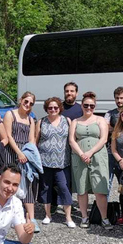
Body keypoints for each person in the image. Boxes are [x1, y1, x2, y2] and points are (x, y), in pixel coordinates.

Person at [68, 92, 111, 229]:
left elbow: (104, 139)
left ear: (95, 106)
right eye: (86, 105)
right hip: (79, 157)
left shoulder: (100, 120)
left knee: (100, 188)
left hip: (98, 156)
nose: (88, 108)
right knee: (82, 188)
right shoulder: (75, 121)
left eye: (91, 105)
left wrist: (90, 152)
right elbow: (71, 140)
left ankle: (104, 218)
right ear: (81, 105)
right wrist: (81, 154)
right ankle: (84, 217)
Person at [35, 97, 74, 228]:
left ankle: (68, 217)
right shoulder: (41, 122)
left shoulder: (67, 121)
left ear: (59, 108)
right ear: (46, 108)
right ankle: (48, 215)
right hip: (45, 161)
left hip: (62, 162)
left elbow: (71, 140)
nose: (53, 110)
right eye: (50, 107)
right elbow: (36, 140)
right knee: (46, 188)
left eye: (55, 107)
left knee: (64, 187)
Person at [3, 92, 38, 229]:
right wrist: (18, 153)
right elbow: (9, 136)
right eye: (26, 101)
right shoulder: (10, 114)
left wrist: (29, 155)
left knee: (28, 183)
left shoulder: (30, 120)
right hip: (11, 153)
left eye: (30, 103)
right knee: (11, 184)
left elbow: (32, 139)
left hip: (26, 154)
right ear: (21, 100)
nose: (27, 105)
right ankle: (10, 215)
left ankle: (31, 218)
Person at [104, 86, 123, 185]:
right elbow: (105, 128)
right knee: (107, 182)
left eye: (121, 98)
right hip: (111, 151)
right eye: (117, 98)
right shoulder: (109, 113)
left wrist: (113, 129)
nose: (119, 100)